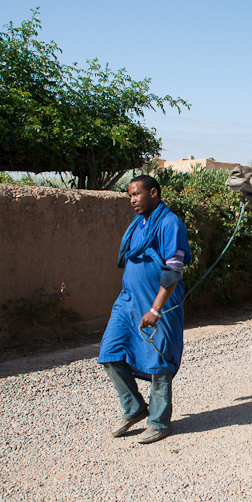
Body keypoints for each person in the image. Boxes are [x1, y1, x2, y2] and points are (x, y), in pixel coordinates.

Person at [98, 175, 192, 444]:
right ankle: (135, 408)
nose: (132, 200)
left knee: (159, 360)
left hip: (158, 304)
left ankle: (159, 422)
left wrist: (156, 308)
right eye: (129, 196)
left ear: (153, 192)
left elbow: (173, 270)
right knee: (110, 352)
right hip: (128, 302)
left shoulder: (169, 223)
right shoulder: (138, 226)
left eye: (136, 194)